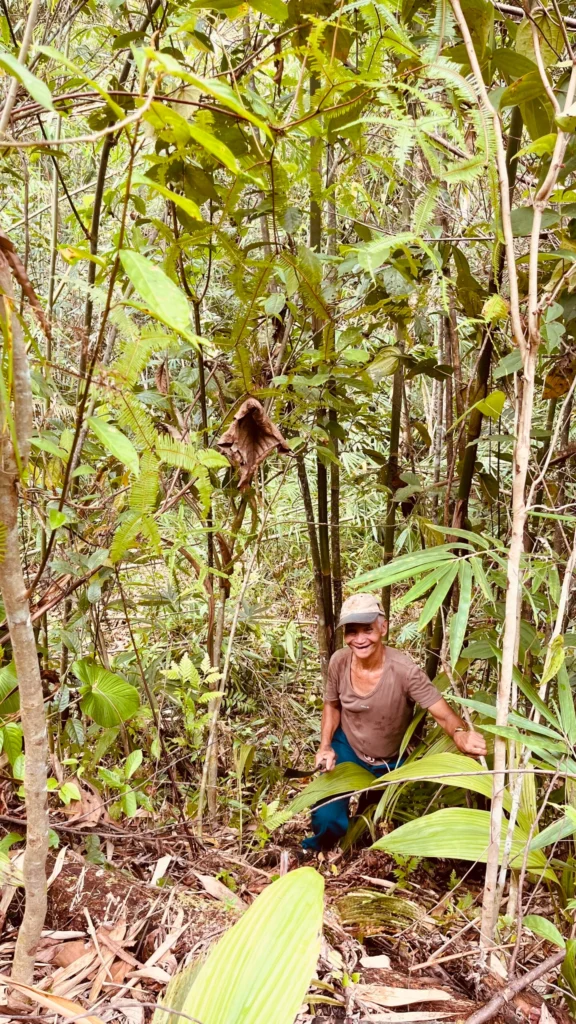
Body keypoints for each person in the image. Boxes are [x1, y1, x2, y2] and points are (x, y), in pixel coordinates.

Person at [302, 592, 487, 853]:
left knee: (377, 828)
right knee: (326, 816)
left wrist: (460, 734)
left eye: (367, 629)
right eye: (352, 632)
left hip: (391, 760)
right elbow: (332, 705)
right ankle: (316, 850)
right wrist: (325, 746)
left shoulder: (404, 671)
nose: (360, 639)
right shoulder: (339, 661)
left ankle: (358, 844)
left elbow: (442, 713)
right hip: (348, 748)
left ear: (383, 627)